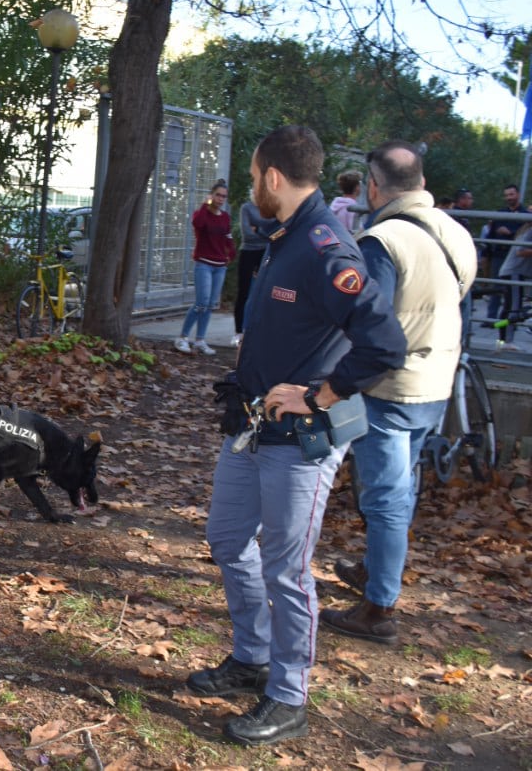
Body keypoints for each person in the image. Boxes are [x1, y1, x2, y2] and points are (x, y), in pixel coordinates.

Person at [186, 125, 405, 747]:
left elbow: (385, 346)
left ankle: (288, 696)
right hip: (250, 428)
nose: (252, 187)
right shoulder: (284, 236)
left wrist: (318, 395)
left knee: (286, 569)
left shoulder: (326, 248)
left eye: (255, 176)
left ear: (272, 178)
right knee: (229, 540)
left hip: (300, 441)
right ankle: (251, 658)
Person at [320, 141, 476, 646]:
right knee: (400, 488)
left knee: (384, 496)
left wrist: (335, 382)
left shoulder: (382, 240)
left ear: (373, 185)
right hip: (436, 382)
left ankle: (379, 607)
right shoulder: (456, 233)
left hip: (391, 386)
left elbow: (370, 322)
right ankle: (376, 571)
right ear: (422, 182)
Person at [174, 179, 236, 355]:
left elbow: (228, 238)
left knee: (209, 305)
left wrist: (230, 254)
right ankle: (182, 337)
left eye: (223, 196)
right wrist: (206, 204)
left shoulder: (225, 217)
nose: (220, 199)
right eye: (217, 195)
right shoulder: (201, 214)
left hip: (220, 266)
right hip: (204, 264)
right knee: (201, 302)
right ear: (211, 195)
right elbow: (197, 224)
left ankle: (200, 340)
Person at [482, 184, 526, 332]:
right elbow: (491, 235)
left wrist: (509, 234)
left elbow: (522, 237)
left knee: (513, 294)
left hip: (515, 258)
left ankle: (510, 324)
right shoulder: (500, 214)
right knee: (495, 288)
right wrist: (486, 254)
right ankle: (491, 319)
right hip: (498, 255)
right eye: (506, 195)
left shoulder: (525, 215)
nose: (509, 198)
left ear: (518, 195)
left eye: (511, 194)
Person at [232, 189, 273, 348]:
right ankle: (238, 331)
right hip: (248, 251)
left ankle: (257, 331)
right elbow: (247, 234)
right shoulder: (246, 208)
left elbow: (275, 231)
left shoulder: (269, 209)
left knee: (263, 292)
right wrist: (264, 232)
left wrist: (259, 229)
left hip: (265, 253)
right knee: (244, 292)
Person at [495, 219, 532, 350]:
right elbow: (520, 251)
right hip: (514, 272)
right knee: (513, 308)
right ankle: (507, 341)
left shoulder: (525, 229)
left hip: (513, 271)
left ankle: (501, 340)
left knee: (509, 306)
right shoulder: (529, 230)